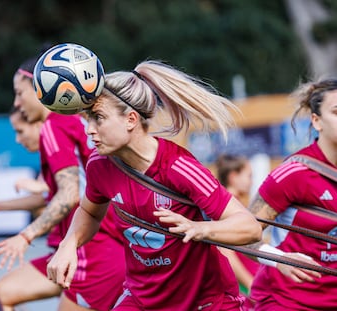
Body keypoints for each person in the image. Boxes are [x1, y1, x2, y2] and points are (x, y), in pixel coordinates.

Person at [46, 60, 262, 310]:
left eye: (99, 118)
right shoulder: (99, 165)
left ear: (130, 119)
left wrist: (199, 228)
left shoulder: (180, 167)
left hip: (205, 302)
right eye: (88, 120)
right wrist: (68, 244)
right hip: (142, 301)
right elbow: (89, 212)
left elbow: (250, 228)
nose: (89, 130)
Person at [0, 53, 125, 311]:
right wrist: (1, 206)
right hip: (84, 249)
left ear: (41, 89)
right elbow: (62, 192)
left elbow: (69, 194)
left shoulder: (54, 126)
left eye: (20, 93)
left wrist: (25, 236)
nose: (17, 102)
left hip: (96, 252)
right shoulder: (73, 122)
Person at [247, 78, 337, 310]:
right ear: (317, 121)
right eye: (336, 112)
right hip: (286, 302)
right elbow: (243, 235)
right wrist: (278, 259)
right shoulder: (294, 173)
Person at [215, 154, 260, 310]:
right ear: (233, 177)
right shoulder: (227, 209)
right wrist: (250, 284)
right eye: (249, 176)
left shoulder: (236, 205)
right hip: (243, 289)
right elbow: (226, 252)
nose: (251, 181)